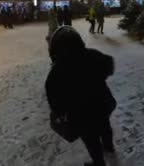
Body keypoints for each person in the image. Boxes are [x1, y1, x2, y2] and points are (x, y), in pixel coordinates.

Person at [45, 26, 116, 166]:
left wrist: (59, 112)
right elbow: (109, 65)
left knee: (91, 138)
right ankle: (108, 146)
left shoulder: (57, 70)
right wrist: (99, 76)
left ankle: (99, 162)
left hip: (80, 114)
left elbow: (53, 98)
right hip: (102, 102)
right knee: (104, 125)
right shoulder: (92, 54)